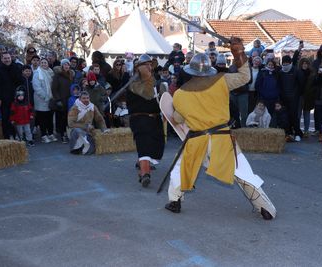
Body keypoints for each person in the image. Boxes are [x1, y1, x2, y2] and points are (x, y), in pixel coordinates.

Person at [164, 38, 276, 220]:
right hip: (221, 138)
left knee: (180, 168)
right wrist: (238, 53)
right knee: (242, 172)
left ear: (190, 71)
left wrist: (176, 112)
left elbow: (177, 119)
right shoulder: (221, 81)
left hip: (197, 141)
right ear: (209, 68)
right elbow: (245, 77)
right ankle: (265, 208)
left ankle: (175, 200)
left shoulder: (180, 94)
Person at [126, 54, 165, 188]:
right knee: (144, 145)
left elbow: (158, 98)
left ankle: (141, 163)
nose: (149, 67)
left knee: (157, 146)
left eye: (150, 65)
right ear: (139, 68)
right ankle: (145, 174)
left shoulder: (153, 80)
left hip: (155, 118)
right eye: (146, 65)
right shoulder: (134, 83)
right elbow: (147, 93)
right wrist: (148, 77)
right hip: (139, 118)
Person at [0, 52, 23, 139]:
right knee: (6, 117)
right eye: (5, 58)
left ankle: (16, 135)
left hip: (15, 97)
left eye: (8, 58)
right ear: (2, 59)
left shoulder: (16, 67)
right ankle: (7, 136)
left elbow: (20, 82)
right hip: (4, 98)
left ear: (11, 58)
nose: (7, 60)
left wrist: (20, 94)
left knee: (16, 116)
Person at [278, 55, 302, 141]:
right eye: (284, 63)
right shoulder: (281, 72)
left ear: (290, 63)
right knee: (285, 116)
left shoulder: (296, 71)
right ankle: (288, 133)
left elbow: (301, 84)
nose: (285, 65)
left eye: (287, 63)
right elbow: (279, 85)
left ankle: (298, 133)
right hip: (284, 98)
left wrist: (297, 94)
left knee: (294, 116)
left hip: (294, 98)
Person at [32, 58, 56, 143]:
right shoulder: (37, 73)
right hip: (41, 99)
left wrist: (52, 97)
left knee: (49, 118)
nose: (43, 64)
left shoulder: (51, 73)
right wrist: (45, 97)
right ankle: (43, 135)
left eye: (45, 62)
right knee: (42, 118)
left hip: (50, 99)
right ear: (39, 64)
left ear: (48, 64)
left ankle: (50, 133)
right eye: (41, 62)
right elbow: (37, 87)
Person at [51, 59, 74, 143]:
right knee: (62, 118)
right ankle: (62, 134)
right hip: (61, 99)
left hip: (70, 100)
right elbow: (54, 89)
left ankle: (68, 133)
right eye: (65, 65)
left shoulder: (71, 75)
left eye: (68, 65)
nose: (66, 66)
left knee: (69, 117)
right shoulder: (58, 75)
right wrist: (58, 99)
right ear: (62, 66)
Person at [297, 58, 314, 137]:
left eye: (306, 63)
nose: (305, 65)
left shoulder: (311, 73)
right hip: (299, 95)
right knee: (298, 114)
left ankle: (306, 131)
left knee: (307, 114)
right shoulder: (298, 72)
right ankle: (297, 129)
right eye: (303, 63)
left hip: (308, 96)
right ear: (301, 64)